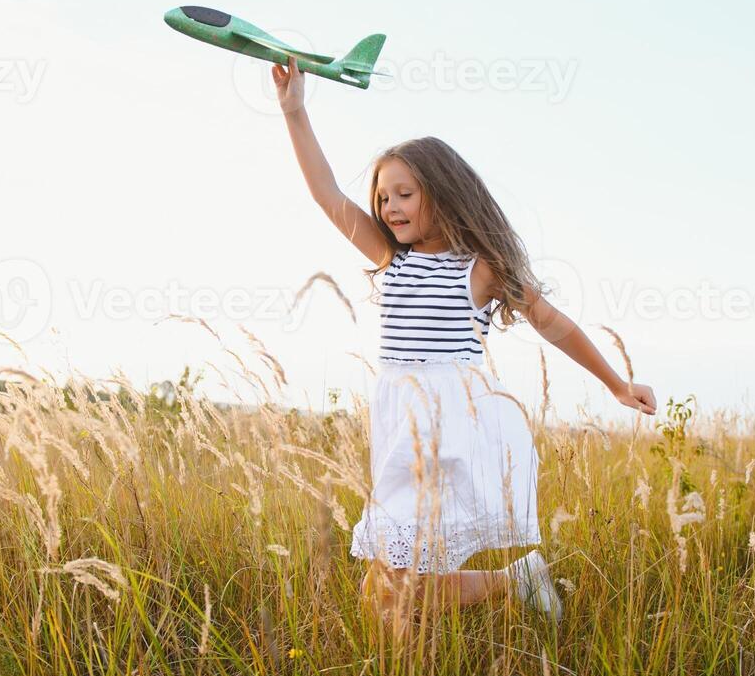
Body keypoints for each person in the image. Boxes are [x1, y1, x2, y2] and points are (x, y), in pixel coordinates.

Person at [271, 58, 656, 634]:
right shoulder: (390, 259)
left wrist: (618, 384)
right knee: (382, 592)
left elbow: (556, 325)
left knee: (391, 591)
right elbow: (327, 194)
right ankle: (515, 585)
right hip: (401, 425)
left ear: (442, 195)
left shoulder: (477, 270)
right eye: (383, 198)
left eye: (405, 194)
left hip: (447, 430)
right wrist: (295, 111)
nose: (390, 208)